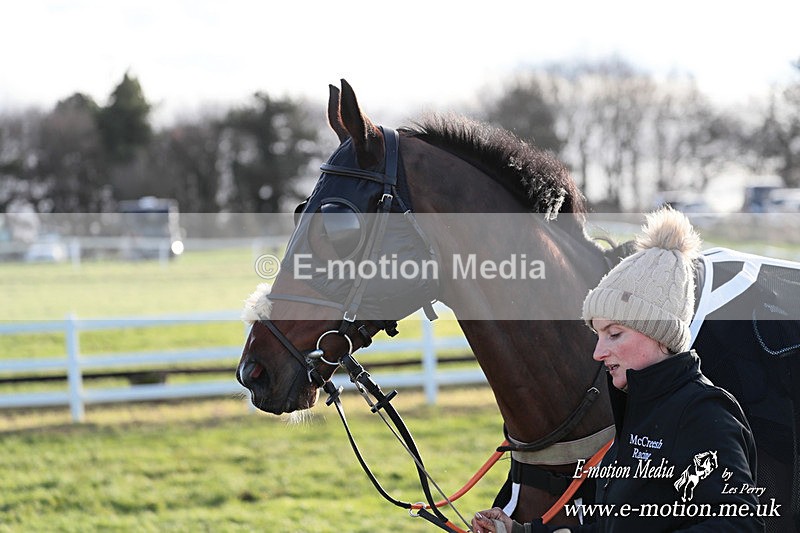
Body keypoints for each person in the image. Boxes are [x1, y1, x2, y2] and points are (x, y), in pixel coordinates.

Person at [472, 208, 764, 533]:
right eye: (598, 335)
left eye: (614, 334)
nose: (598, 352)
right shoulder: (633, 412)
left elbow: (740, 525)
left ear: (658, 333)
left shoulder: (702, 413)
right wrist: (520, 531)